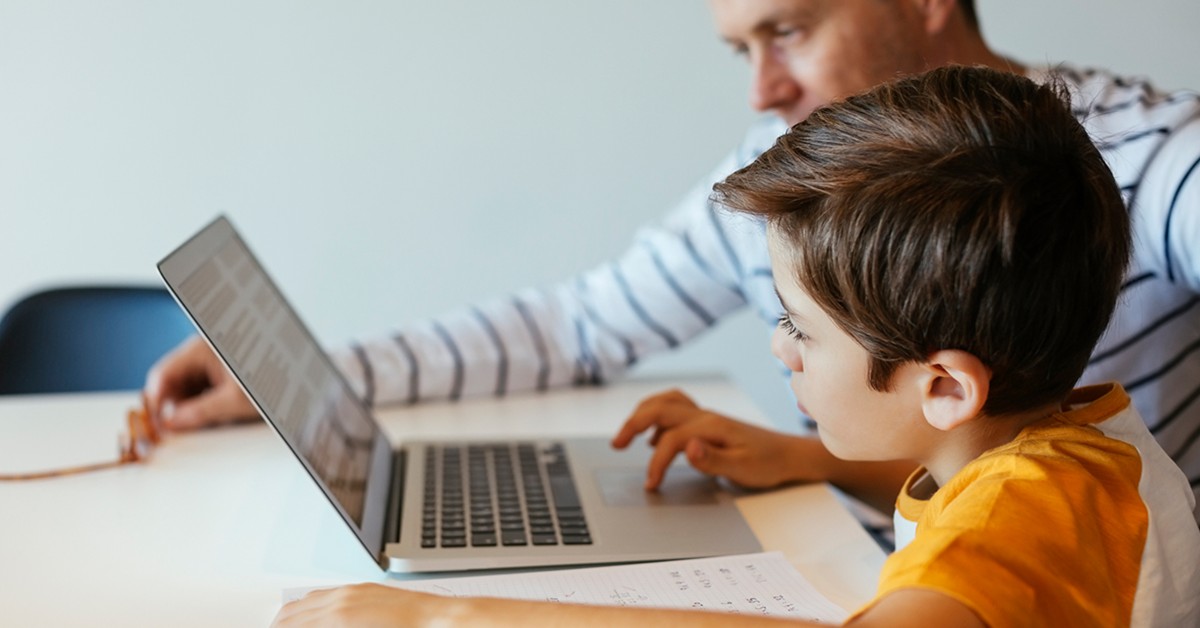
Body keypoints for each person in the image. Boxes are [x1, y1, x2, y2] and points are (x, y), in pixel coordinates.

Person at [145, 0, 1200, 523]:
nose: (760, 92)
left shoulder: (1143, 159)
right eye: (739, 50)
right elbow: (579, 323)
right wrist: (301, 377)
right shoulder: (781, 174)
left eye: (786, 30)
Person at [272, 66, 1200, 628]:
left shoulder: (1029, 509)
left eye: (800, 327)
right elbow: (970, 500)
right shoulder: (1064, 446)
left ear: (945, 386)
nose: (779, 346)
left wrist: (444, 612)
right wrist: (796, 457)